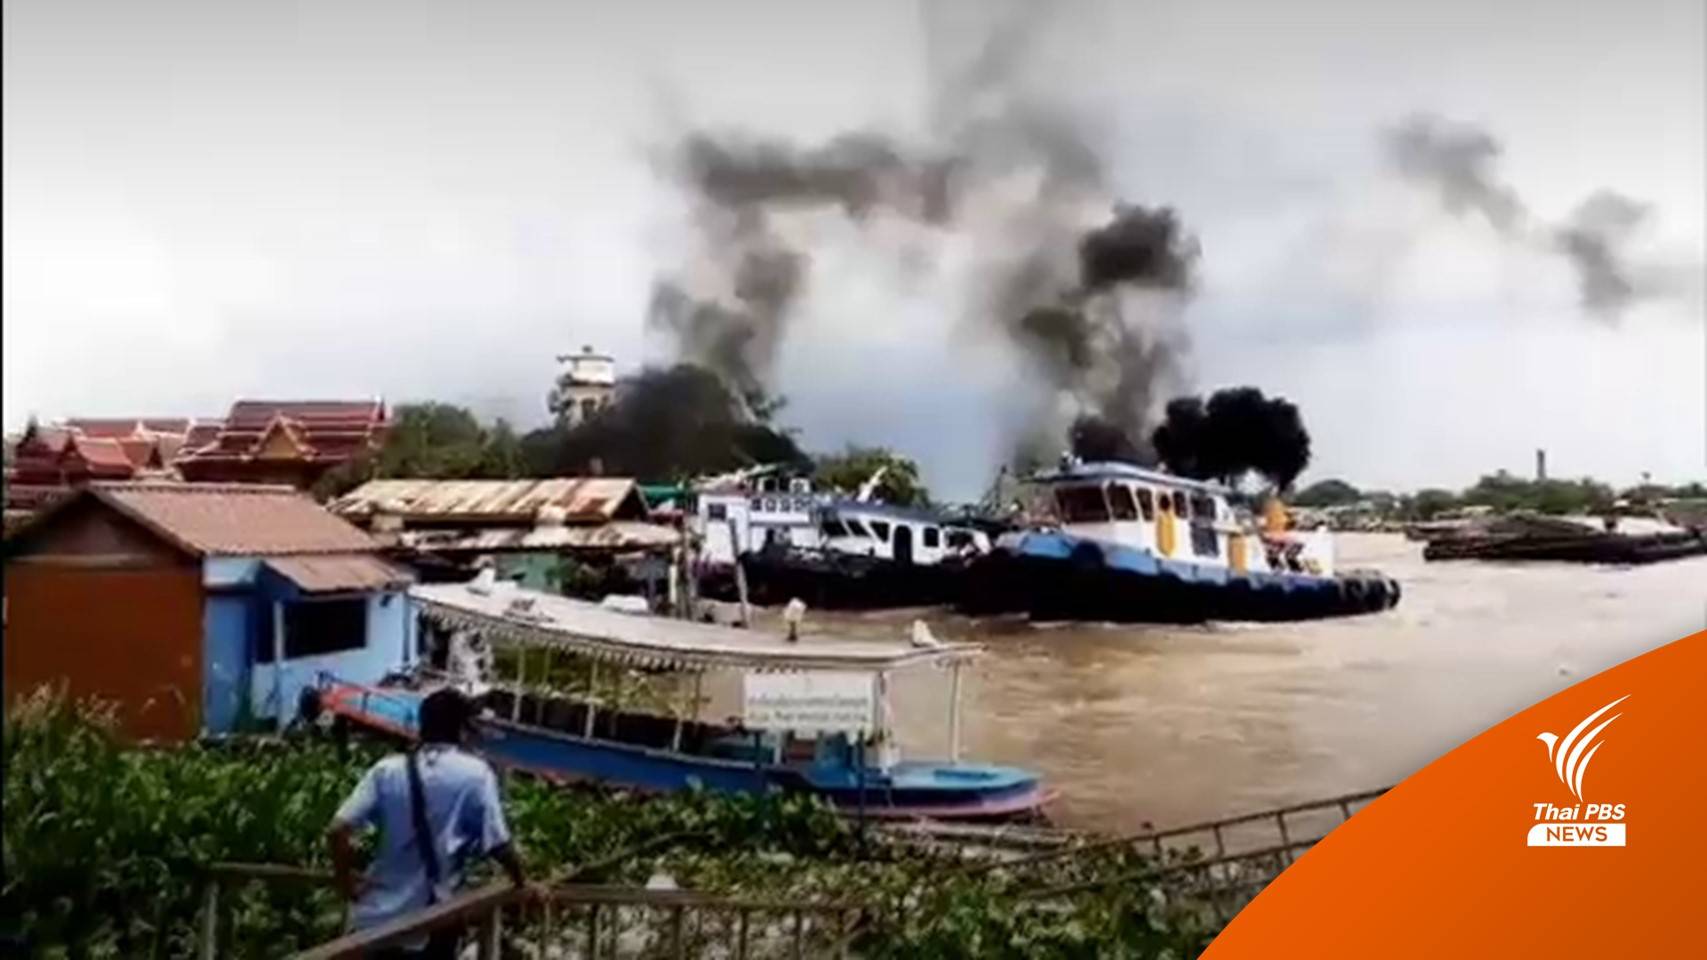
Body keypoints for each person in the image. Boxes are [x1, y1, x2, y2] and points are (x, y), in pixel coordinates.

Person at [326, 689, 527, 959]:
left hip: (376, 920)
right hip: (433, 920)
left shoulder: (387, 770)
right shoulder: (475, 775)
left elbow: (337, 829)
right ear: (461, 727)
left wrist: (345, 883)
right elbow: (499, 846)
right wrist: (523, 883)